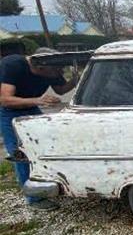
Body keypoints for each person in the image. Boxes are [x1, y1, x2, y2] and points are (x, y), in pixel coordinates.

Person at [0, 47, 78, 210]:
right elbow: (5, 99)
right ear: (40, 67)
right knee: (22, 154)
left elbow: (60, 89)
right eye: (56, 71)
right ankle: (33, 199)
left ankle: (47, 181)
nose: (59, 73)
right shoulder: (13, 65)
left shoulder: (51, 67)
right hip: (9, 111)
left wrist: (76, 80)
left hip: (32, 106)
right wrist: (38, 100)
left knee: (47, 145)